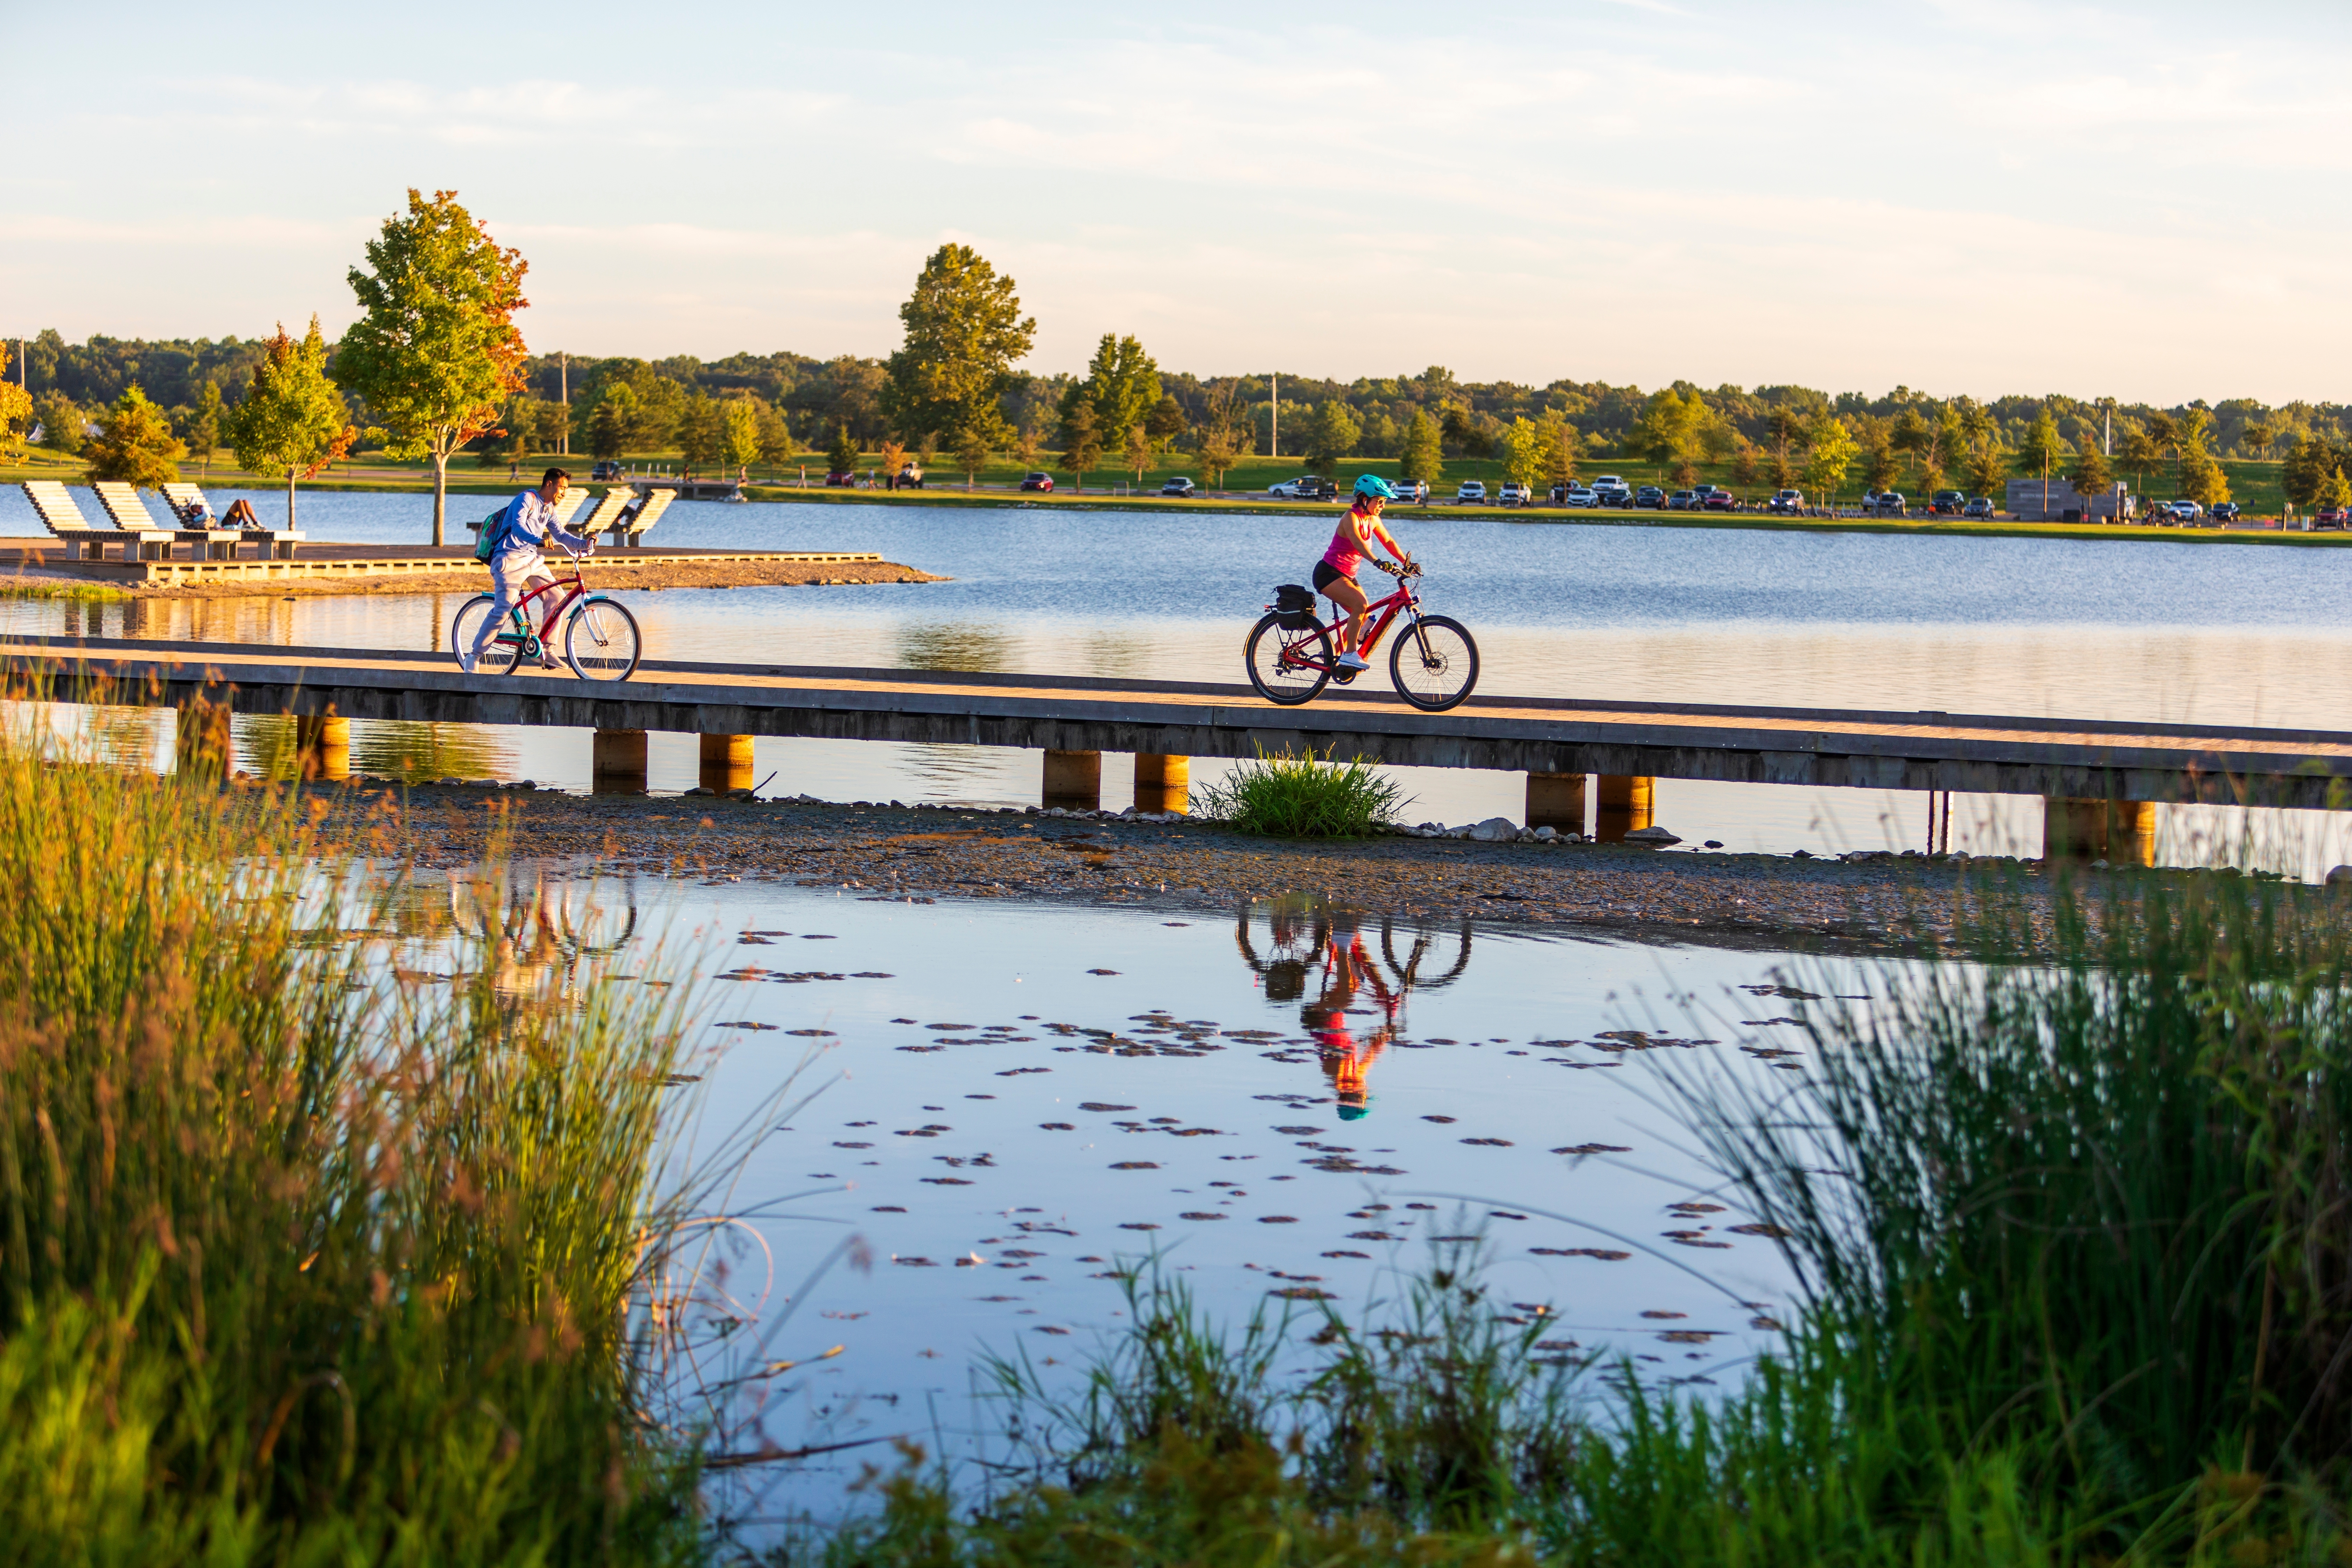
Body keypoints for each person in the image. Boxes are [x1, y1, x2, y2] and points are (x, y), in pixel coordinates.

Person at [467, 467, 591, 672]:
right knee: (504, 610)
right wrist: (539, 540)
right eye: (562, 488)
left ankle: (547, 651)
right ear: (549, 484)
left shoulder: (549, 509)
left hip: (532, 560)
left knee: (557, 597)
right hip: (509, 559)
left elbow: (561, 535)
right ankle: (474, 656)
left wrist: (585, 544)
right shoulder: (526, 499)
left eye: (566, 490)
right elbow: (518, 528)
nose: (564, 494)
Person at [1314, 475, 1413, 672]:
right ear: (1365, 499)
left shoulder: (1373, 519)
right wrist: (1377, 561)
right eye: (1379, 501)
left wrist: (1407, 562)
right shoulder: (1350, 517)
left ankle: (1333, 656)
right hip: (1329, 574)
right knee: (1360, 605)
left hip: (1347, 576)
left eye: (1384, 502)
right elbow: (1359, 544)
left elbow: (1388, 541)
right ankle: (1350, 654)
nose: (1382, 506)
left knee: (1365, 616)